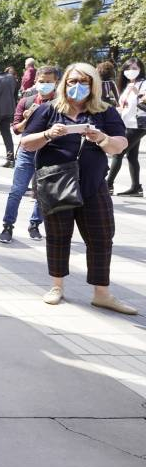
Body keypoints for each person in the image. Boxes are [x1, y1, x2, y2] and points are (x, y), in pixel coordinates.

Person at [21, 63, 136, 315]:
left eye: (83, 82)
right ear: (64, 84)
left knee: (101, 237)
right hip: (56, 184)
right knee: (58, 235)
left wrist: (102, 138)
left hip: (93, 185)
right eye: (72, 82)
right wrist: (49, 134)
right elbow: (26, 143)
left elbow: (120, 145)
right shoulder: (48, 110)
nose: (77, 87)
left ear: (93, 85)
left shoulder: (105, 112)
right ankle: (56, 287)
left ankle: (101, 293)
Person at [0, 66, 61, 243]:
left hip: (49, 153)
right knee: (17, 190)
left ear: (56, 83)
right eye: (42, 81)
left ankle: (35, 224)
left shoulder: (61, 104)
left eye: (49, 82)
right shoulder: (27, 101)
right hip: (27, 152)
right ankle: (8, 225)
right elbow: (16, 129)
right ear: (35, 81)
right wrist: (28, 118)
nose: (45, 85)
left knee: (43, 191)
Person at [106, 58, 146, 196]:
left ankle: (108, 185)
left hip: (138, 124)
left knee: (118, 152)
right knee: (132, 156)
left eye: (135, 68)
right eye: (128, 69)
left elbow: (143, 100)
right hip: (128, 123)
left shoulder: (143, 84)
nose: (131, 71)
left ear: (141, 69)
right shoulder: (128, 85)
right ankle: (136, 188)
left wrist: (138, 93)